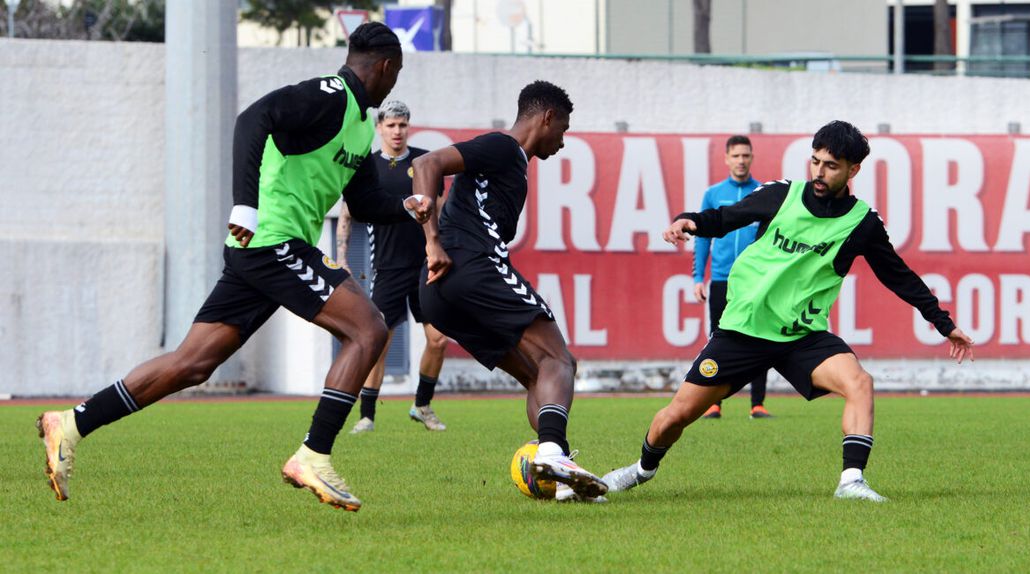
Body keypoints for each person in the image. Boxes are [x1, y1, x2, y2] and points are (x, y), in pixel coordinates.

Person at [36, 22, 432, 512]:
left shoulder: (359, 125)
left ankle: (70, 424)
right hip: (272, 242)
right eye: (397, 73)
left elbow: (365, 201)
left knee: (193, 363)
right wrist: (245, 203)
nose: (395, 83)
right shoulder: (330, 95)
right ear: (388, 66)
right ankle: (313, 455)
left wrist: (407, 207)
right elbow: (253, 119)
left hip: (265, 252)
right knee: (369, 328)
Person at [603, 120, 974, 502]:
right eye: (815, 161)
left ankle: (851, 482)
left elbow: (898, 276)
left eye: (831, 166)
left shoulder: (861, 223)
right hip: (744, 330)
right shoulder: (781, 194)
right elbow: (727, 217)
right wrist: (692, 221)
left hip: (801, 336)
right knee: (676, 415)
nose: (819, 171)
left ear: (853, 170)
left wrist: (944, 324)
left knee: (860, 383)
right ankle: (641, 469)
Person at [412, 80, 608, 502]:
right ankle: (553, 453)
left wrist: (436, 242)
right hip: (471, 269)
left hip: (438, 293)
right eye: (563, 130)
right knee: (559, 359)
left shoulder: (511, 165)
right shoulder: (503, 147)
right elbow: (427, 163)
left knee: (539, 374)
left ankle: (558, 472)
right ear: (547, 118)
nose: (563, 142)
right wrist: (432, 241)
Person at [335, 100, 450, 434]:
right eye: (391, 125)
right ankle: (367, 416)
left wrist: (443, 249)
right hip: (387, 268)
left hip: (426, 266)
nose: (397, 131)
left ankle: (422, 405)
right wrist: (342, 257)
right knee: (379, 341)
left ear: (408, 126)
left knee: (439, 339)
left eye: (402, 125)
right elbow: (347, 213)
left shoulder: (425, 162)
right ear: (379, 128)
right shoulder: (368, 166)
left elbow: (441, 212)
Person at [694, 135, 772, 419]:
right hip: (721, 279)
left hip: (754, 280)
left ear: (752, 158)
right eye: (736, 156)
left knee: (761, 338)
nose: (741, 160)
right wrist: (697, 277)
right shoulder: (713, 194)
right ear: (727, 159)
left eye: (745, 155)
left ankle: (757, 404)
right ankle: (713, 403)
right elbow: (702, 237)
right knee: (717, 340)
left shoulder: (763, 193)